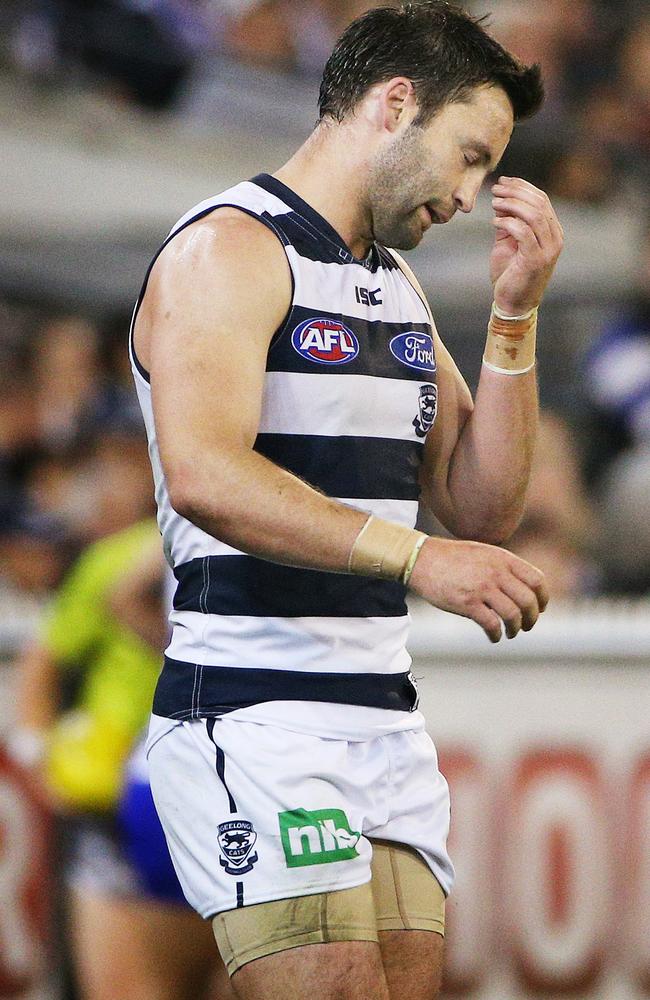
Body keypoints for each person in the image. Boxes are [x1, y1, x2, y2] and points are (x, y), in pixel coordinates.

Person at [129, 3, 563, 998]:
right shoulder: (229, 248)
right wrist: (417, 559)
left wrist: (513, 314)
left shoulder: (393, 283)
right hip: (254, 714)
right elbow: (204, 472)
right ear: (393, 103)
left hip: (383, 727)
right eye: (465, 155)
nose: (466, 194)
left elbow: (479, 503)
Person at [11, 519, 231, 1000]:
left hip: (173, 773)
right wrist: (35, 748)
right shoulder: (124, 552)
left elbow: (124, 597)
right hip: (161, 779)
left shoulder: (164, 541)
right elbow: (50, 652)